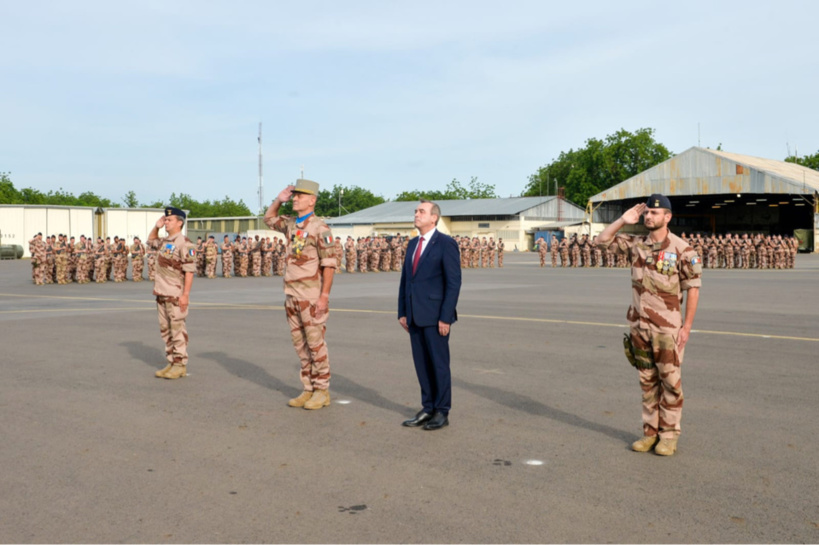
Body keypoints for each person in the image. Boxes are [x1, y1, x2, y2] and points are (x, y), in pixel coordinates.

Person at [595, 194, 701, 456]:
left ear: (667, 217)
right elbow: (601, 242)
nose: (648, 217)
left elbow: (693, 289)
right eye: (646, 213)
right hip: (639, 327)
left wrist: (686, 327)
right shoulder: (636, 245)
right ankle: (649, 434)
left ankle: (669, 436)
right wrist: (622, 220)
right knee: (647, 383)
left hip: (667, 329)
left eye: (655, 213)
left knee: (671, 385)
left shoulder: (682, 249)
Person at [264, 179, 337, 410]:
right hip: (292, 295)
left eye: (300, 195)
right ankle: (308, 388)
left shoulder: (320, 228)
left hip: (311, 296)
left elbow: (329, 264)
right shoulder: (291, 224)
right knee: (301, 346)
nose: (294, 198)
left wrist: (324, 297)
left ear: (312, 200)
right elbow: (268, 219)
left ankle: (322, 390)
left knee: (316, 345)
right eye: (293, 195)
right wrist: (278, 199)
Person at [398, 200, 462, 431]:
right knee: (422, 365)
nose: (416, 214)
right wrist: (402, 311)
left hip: (436, 317)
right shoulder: (413, 243)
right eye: (415, 211)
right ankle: (427, 408)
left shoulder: (445, 243)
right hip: (414, 315)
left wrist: (445, 317)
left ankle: (442, 411)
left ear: (434, 218)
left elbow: (453, 283)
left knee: (439, 365)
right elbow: (407, 280)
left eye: (421, 211)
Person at [147, 207, 196, 380]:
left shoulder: (185, 243)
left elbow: (189, 271)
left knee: (177, 330)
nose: (166, 222)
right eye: (165, 220)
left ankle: (180, 364)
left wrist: (185, 295)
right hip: (161, 293)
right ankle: (172, 361)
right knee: (165, 330)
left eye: (169, 220)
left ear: (180, 222)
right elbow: (150, 240)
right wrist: (156, 226)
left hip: (175, 294)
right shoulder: (164, 241)